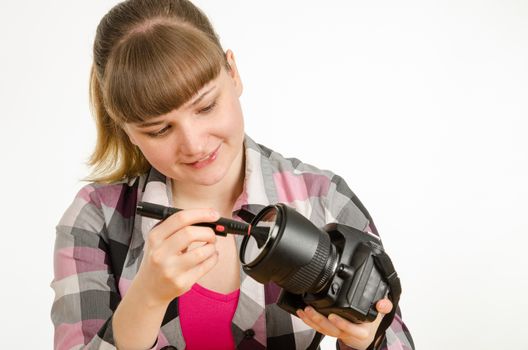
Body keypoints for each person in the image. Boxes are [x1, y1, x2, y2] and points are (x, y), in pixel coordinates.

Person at [50, 0, 414, 349]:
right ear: (126, 129)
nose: (193, 144)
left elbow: (392, 335)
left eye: (206, 106)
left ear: (233, 73)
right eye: (159, 130)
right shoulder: (96, 219)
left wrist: (366, 341)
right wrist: (146, 298)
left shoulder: (323, 198)